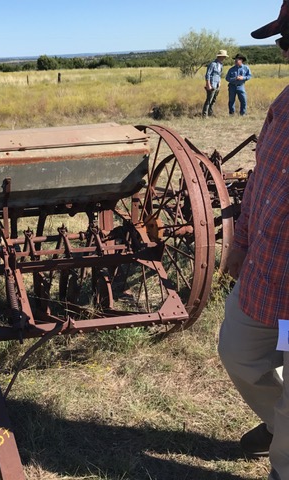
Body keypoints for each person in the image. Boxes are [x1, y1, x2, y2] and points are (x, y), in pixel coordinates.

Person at [218, 1, 289, 479]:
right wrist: (240, 241)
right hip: (268, 276)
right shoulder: (284, 103)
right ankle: (279, 420)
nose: (284, 47)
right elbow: (263, 177)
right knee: (239, 353)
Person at [202, 49, 228, 117]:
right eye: (223, 56)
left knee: (213, 100)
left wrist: (219, 82)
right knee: (209, 100)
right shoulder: (213, 64)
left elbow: (219, 74)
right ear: (220, 56)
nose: (224, 58)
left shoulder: (221, 65)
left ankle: (210, 112)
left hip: (217, 84)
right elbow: (208, 74)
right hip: (211, 84)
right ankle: (204, 115)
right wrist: (208, 84)